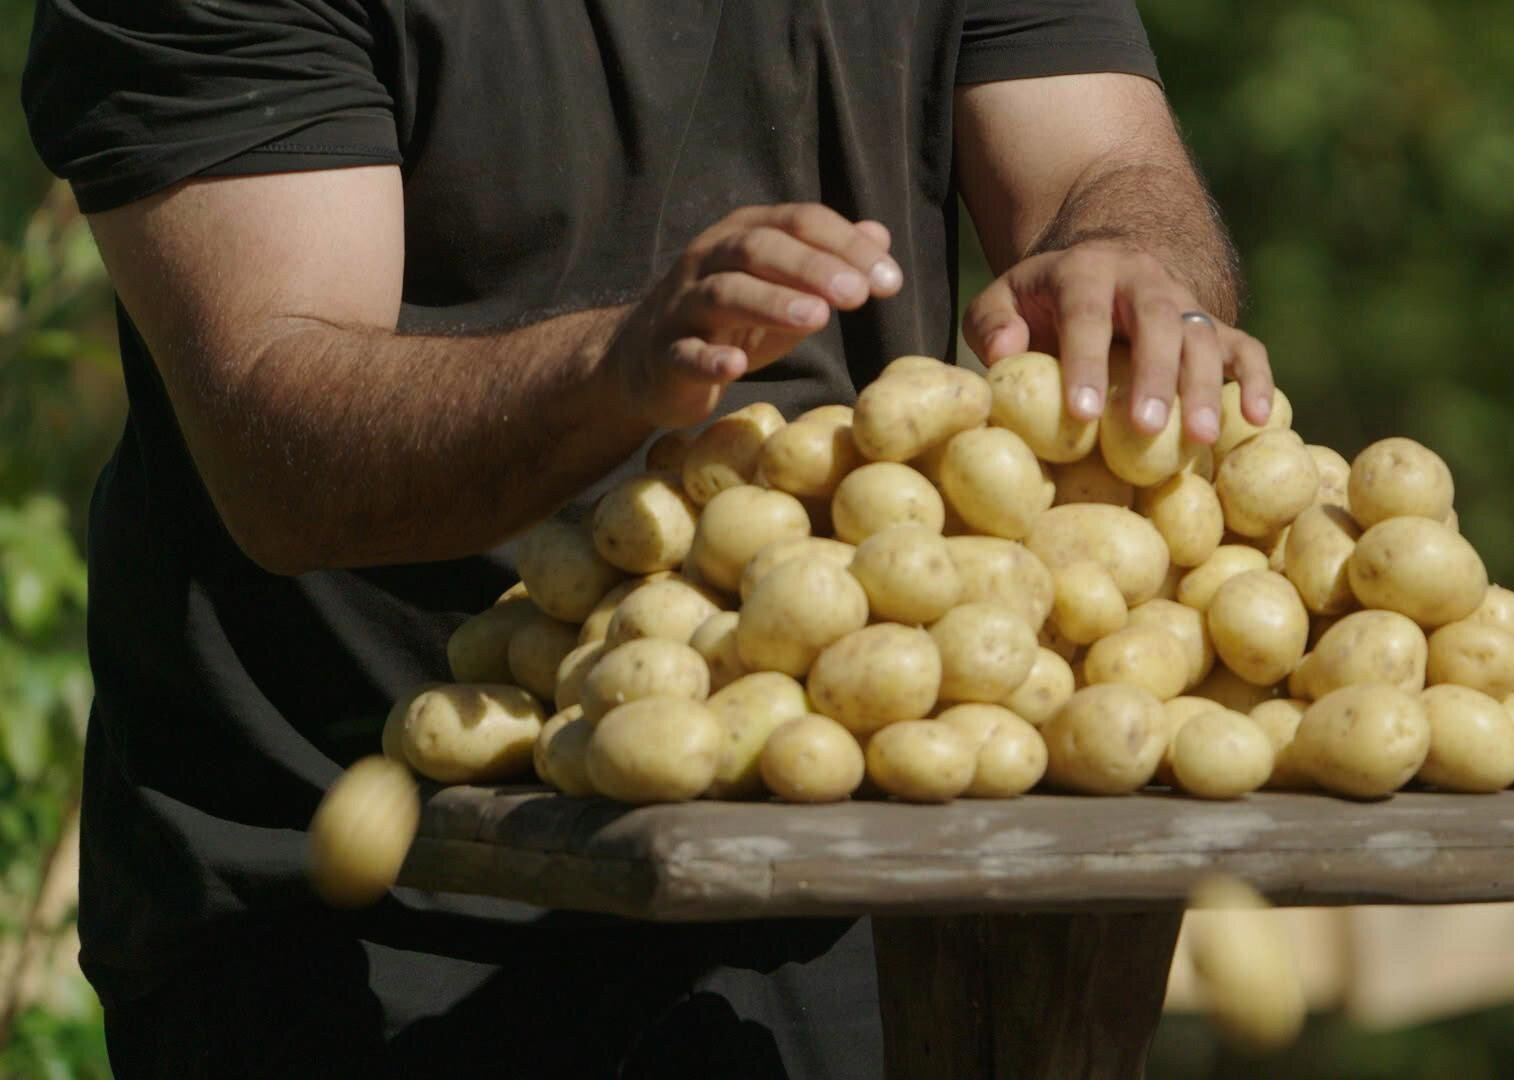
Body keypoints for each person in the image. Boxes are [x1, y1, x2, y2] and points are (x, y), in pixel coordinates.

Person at [21, 0, 1275, 1075]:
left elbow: (1102, 160)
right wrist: (613, 371)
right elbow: (274, 432)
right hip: (374, 931)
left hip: (850, 874)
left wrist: (1129, 257)